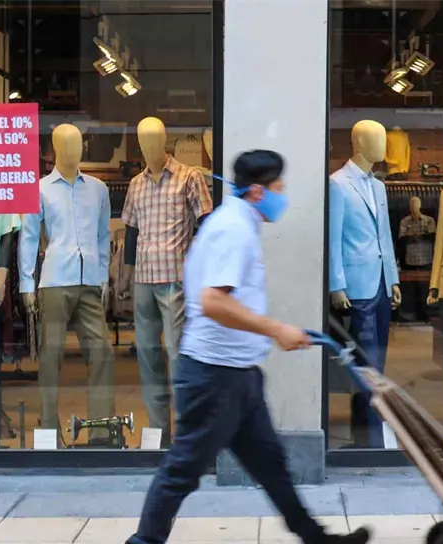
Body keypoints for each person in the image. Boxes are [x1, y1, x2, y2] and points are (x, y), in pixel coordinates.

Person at [126, 150, 371, 544]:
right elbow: (214, 301)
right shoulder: (233, 229)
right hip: (212, 378)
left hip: (237, 374)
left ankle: (317, 539)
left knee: (271, 465)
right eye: (279, 188)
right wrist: (275, 329)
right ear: (258, 191)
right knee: (182, 472)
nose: (283, 195)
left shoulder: (240, 222)